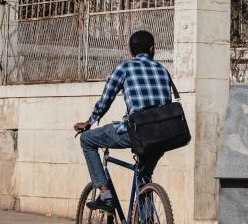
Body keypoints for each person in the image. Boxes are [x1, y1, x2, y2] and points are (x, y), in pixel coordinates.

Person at [73, 30, 173, 211]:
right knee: (144, 176)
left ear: (131, 51)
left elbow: (106, 100)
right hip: (163, 135)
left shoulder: (125, 68)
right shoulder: (163, 70)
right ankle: (146, 223)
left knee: (87, 140)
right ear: (153, 49)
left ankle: (106, 196)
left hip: (138, 132)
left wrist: (90, 121)